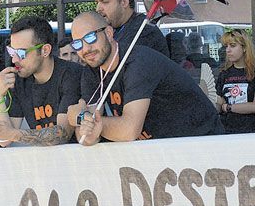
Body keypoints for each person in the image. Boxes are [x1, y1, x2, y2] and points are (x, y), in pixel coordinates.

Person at [68, 11, 223, 145]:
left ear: (108, 33)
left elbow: (129, 130)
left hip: (201, 141)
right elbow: (86, 136)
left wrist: (87, 121)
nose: (86, 48)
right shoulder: (91, 72)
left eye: (90, 38)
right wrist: (84, 120)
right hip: (161, 148)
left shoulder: (138, 61)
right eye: (77, 43)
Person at [0, 16, 83, 146]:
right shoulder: (20, 79)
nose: (14, 59)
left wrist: (13, 134)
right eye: (12, 51)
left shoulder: (71, 74)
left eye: (22, 53)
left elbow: (62, 134)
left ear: (45, 50)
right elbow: (3, 140)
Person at [93, 0, 170, 57]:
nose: (98, 8)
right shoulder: (116, 29)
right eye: (97, 2)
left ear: (124, 2)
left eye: (104, 2)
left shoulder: (142, 32)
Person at [216, 30, 255, 134]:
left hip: (253, 131)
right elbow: (217, 107)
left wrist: (228, 107)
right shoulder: (224, 73)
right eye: (226, 46)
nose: (228, 50)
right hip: (227, 131)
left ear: (245, 48)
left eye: (232, 45)